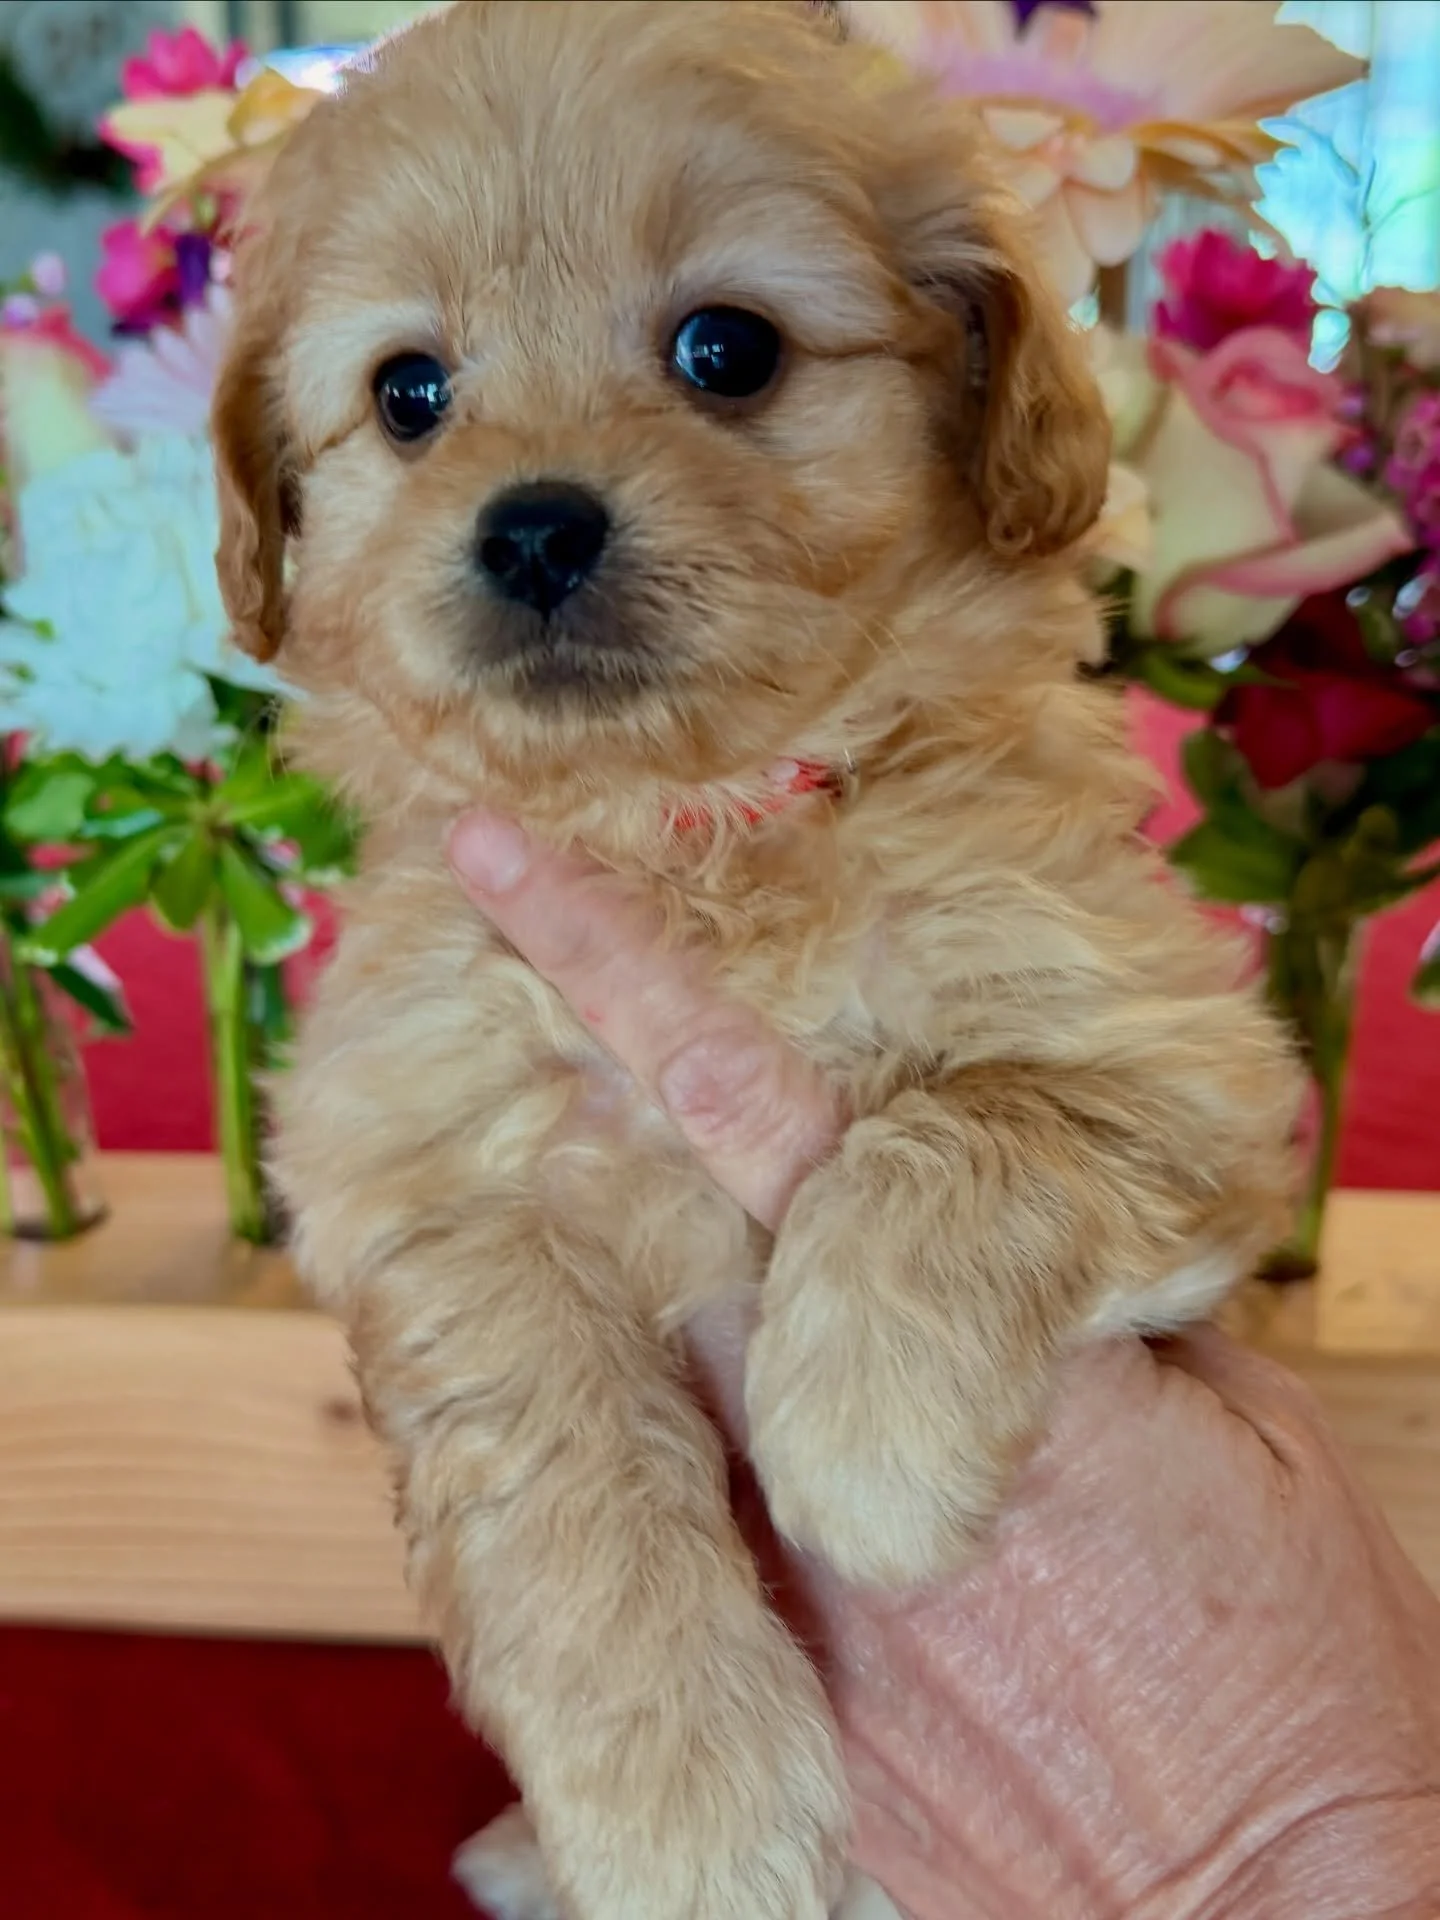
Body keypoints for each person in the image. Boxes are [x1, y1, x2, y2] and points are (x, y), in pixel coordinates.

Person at [447, 807, 1440, 1920]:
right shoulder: (443, 925)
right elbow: (428, 1247)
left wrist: (1271, 1866)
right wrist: (626, 1695)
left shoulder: (993, 811)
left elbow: (1194, 1124)